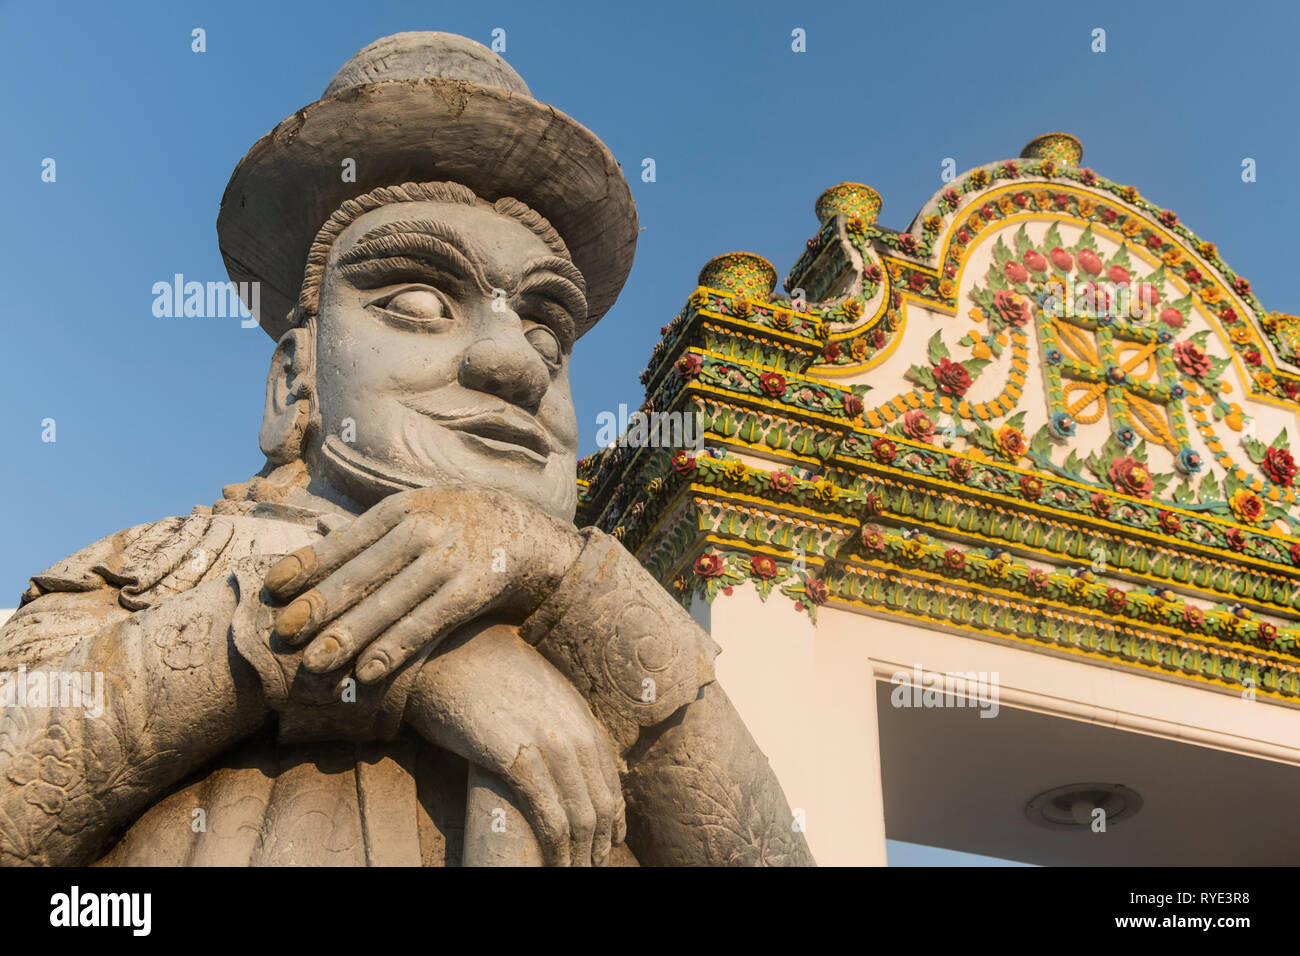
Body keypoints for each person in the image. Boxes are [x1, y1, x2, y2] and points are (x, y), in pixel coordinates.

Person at [0, 32, 813, 867]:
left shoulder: (605, 641)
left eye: (545, 331)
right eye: (420, 299)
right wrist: (366, 655)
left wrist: (548, 569)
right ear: (295, 377)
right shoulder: (161, 572)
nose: (513, 365)